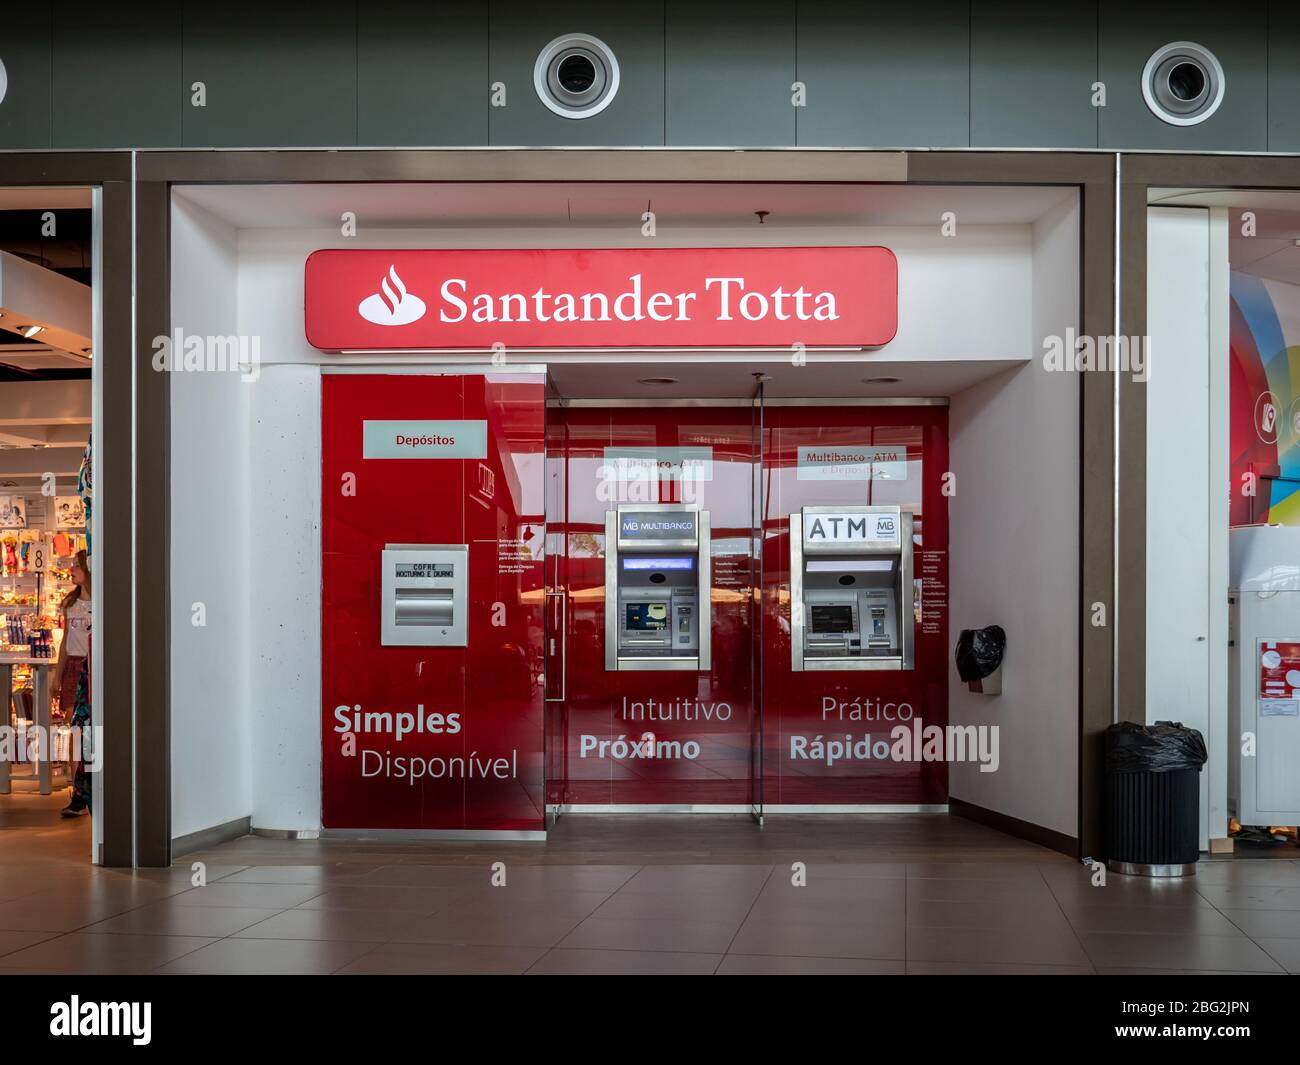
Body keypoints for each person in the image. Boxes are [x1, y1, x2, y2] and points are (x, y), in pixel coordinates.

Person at [52, 550, 91, 817]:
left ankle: (90, 786)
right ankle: (76, 791)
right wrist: (57, 673)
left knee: (91, 729)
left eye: (76, 566)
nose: (71, 570)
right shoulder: (71, 604)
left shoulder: (102, 602)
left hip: (93, 668)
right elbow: (66, 641)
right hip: (74, 668)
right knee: (74, 729)